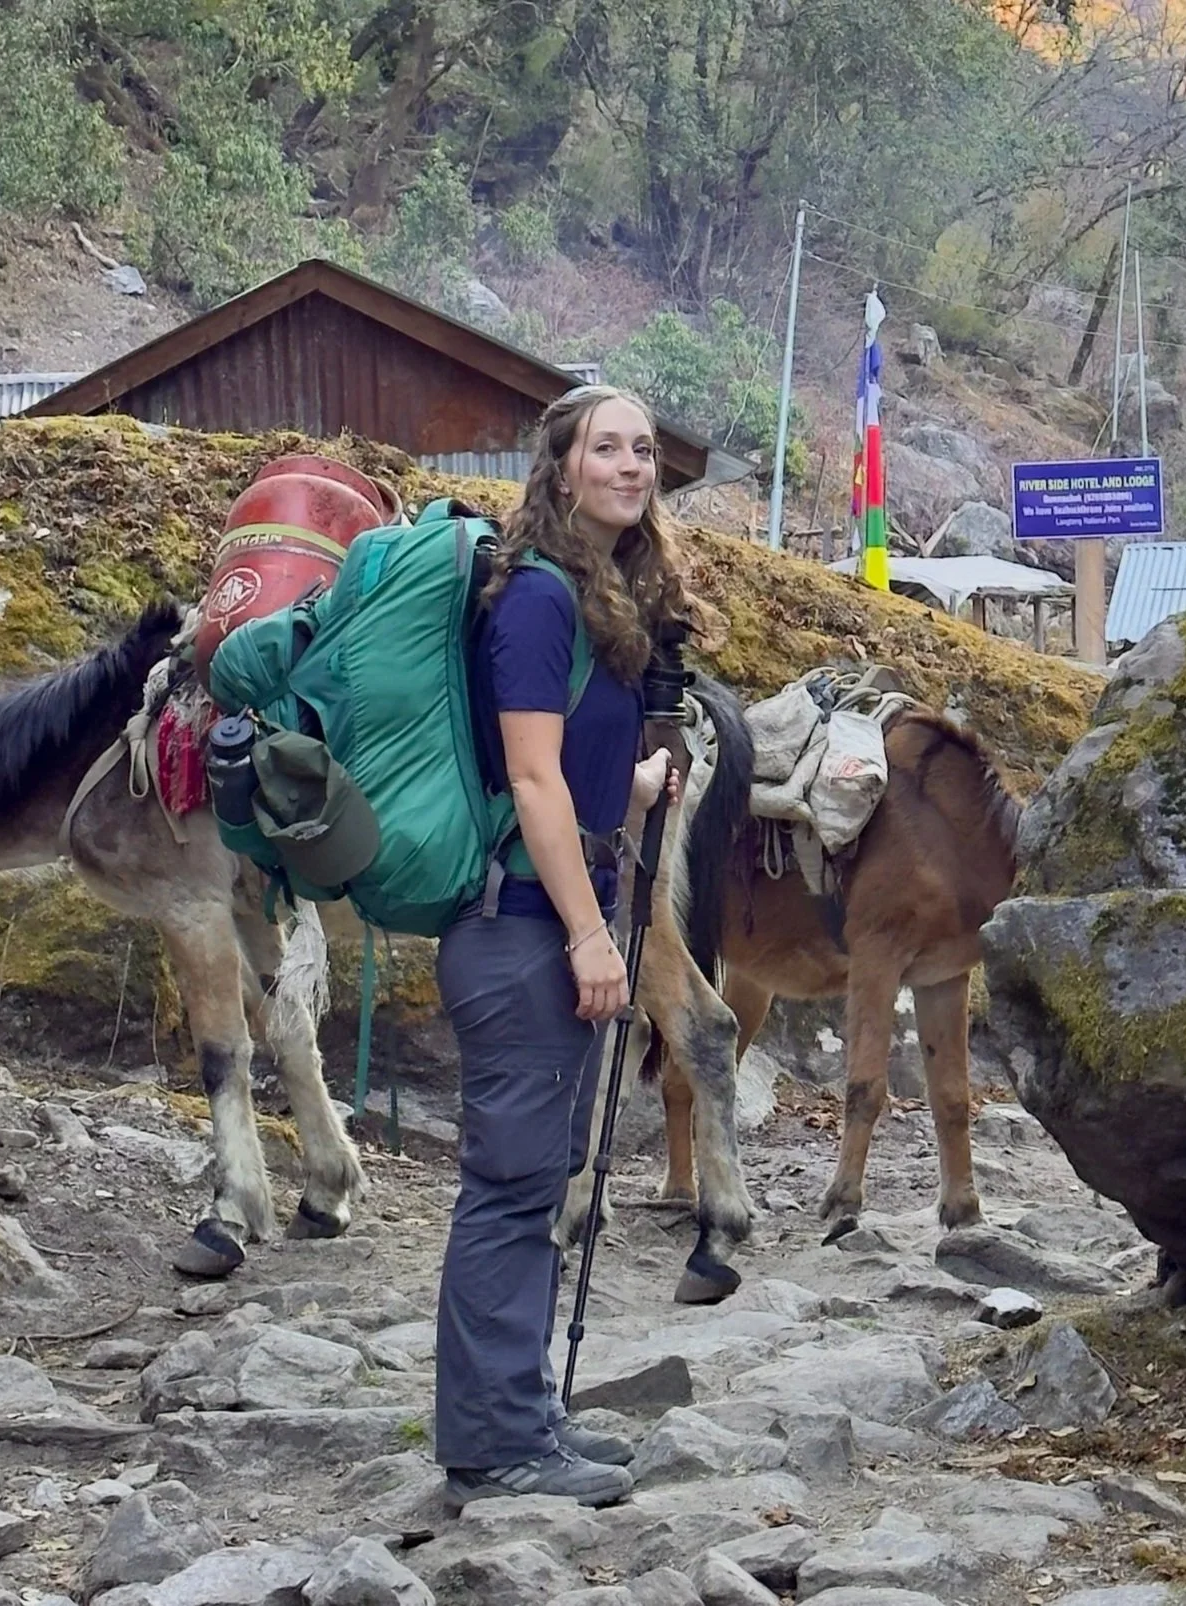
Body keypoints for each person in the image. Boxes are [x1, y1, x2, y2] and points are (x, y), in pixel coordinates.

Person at [433, 384, 696, 1510]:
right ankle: (493, 1447)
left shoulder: (591, 594)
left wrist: (635, 783)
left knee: (538, 1176)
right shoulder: (536, 598)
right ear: (561, 465)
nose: (631, 466)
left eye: (642, 449)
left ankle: (522, 1414)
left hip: (546, 917)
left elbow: (566, 777)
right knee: (507, 1186)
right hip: (522, 929)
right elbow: (527, 779)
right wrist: (594, 937)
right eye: (607, 448)